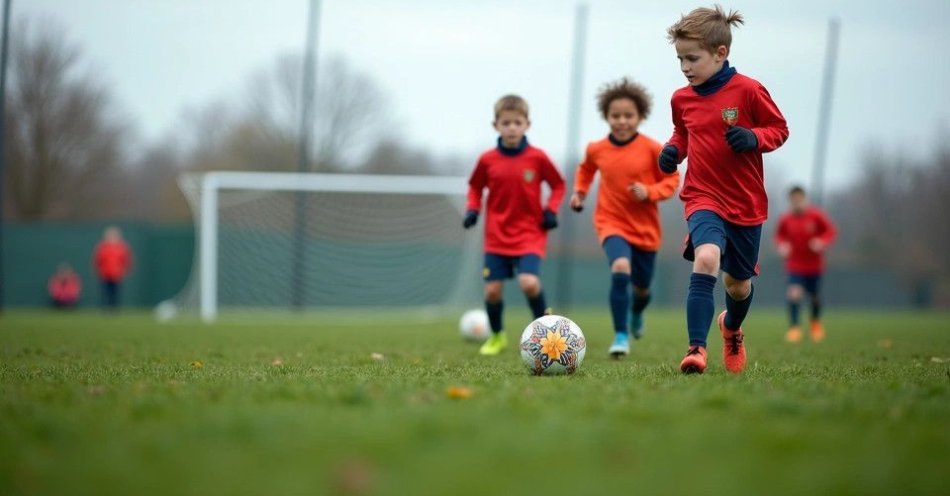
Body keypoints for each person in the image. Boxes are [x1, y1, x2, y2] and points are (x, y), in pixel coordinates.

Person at [659, 6, 789, 374]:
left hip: (746, 203)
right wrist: (672, 152)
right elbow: (682, 134)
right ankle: (696, 350)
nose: (685, 67)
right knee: (707, 259)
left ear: (721, 53)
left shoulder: (748, 90)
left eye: (692, 58)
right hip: (702, 196)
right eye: (680, 59)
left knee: (737, 286)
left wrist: (753, 138)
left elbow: (778, 129)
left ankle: (731, 328)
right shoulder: (681, 98)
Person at [570, 78, 680, 358]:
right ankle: (620, 335)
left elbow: (671, 180)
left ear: (640, 116)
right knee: (620, 266)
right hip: (610, 222)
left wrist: (649, 191)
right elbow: (585, 170)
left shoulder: (653, 149)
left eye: (628, 115)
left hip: (645, 229)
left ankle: (637, 312)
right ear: (606, 116)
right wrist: (580, 193)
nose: (621, 121)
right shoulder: (597, 148)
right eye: (615, 115)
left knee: (642, 289)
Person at [464, 94, 566, 356]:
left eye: (517, 122)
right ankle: (497, 336)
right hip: (496, 236)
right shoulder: (487, 160)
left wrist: (551, 209)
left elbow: (558, 184)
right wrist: (472, 210)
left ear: (527, 125)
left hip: (530, 233)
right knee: (493, 291)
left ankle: (545, 331)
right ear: (495, 125)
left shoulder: (538, 158)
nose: (511, 127)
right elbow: (475, 186)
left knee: (529, 283)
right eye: (506, 122)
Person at [775, 186, 837, 343]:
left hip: (814, 265)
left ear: (804, 199)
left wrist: (821, 241)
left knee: (815, 297)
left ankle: (815, 323)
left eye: (799, 200)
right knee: (794, 293)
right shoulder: (785, 219)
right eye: (793, 200)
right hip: (794, 265)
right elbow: (779, 236)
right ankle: (794, 328)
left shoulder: (816, 216)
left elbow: (830, 231)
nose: (796, 203)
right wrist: (782, 246)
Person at [92, 225, 133, 310]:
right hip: (105, 273)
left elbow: (127, 260)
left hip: (117, 274)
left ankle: (114, 309)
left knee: (115, 292)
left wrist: (125, 270)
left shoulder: (122, 247)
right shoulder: (102, 246)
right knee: (105, 292)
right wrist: (99, 270)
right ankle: (105, 308)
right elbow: (97, 260)